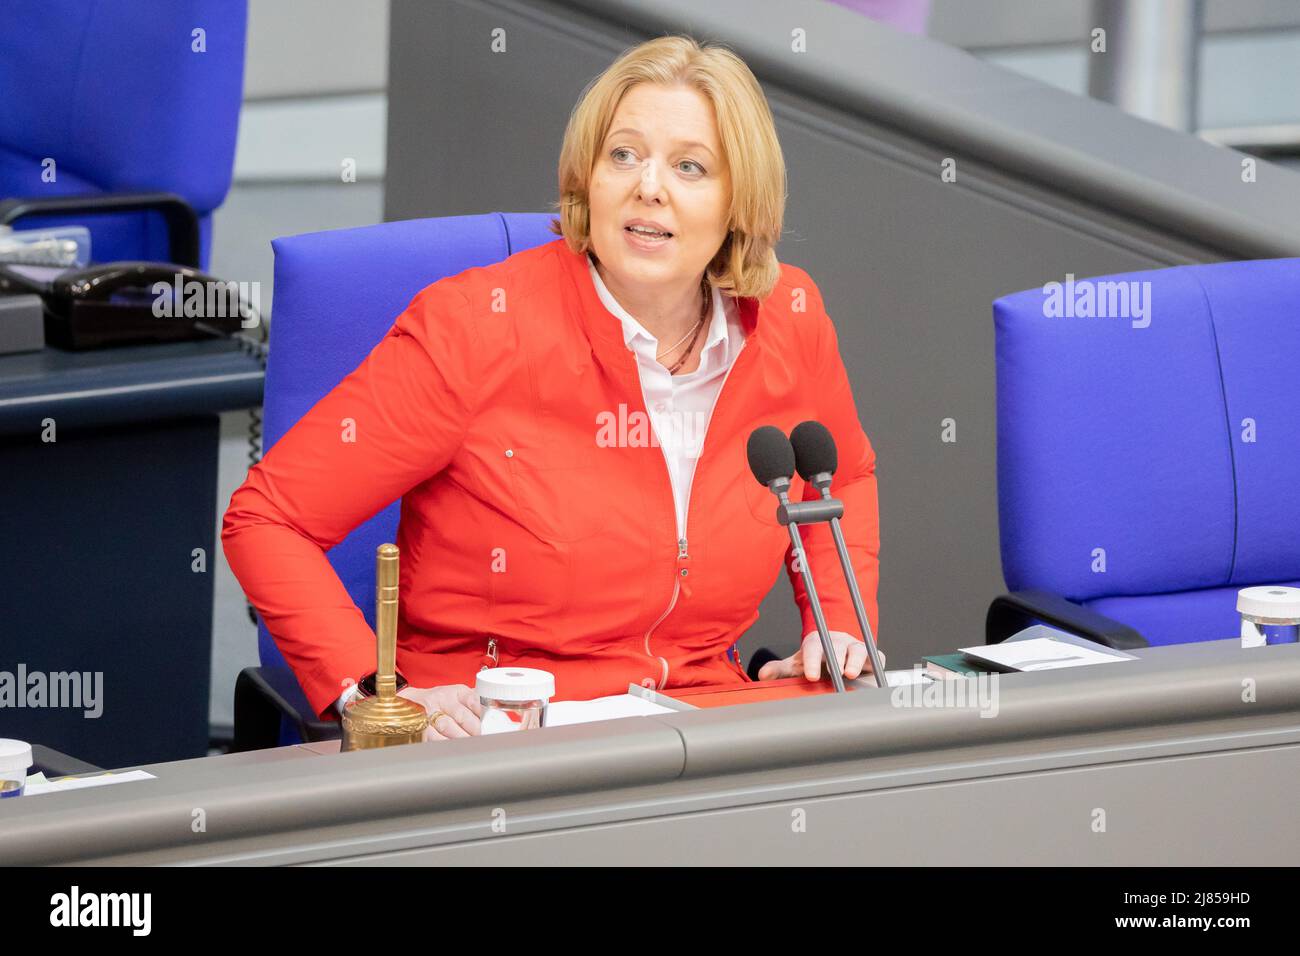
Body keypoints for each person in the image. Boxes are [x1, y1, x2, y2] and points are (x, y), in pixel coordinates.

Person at [222, 35, 881, 742]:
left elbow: (839, 476)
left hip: (699, 715)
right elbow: (268, 519)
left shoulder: (788, 319)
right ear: (585, 179)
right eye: (622, 155)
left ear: (739, 203)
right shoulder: (474, 330)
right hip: (502, 730)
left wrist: (836, 627)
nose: (647, 186)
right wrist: (375, 693)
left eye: (690, 167)